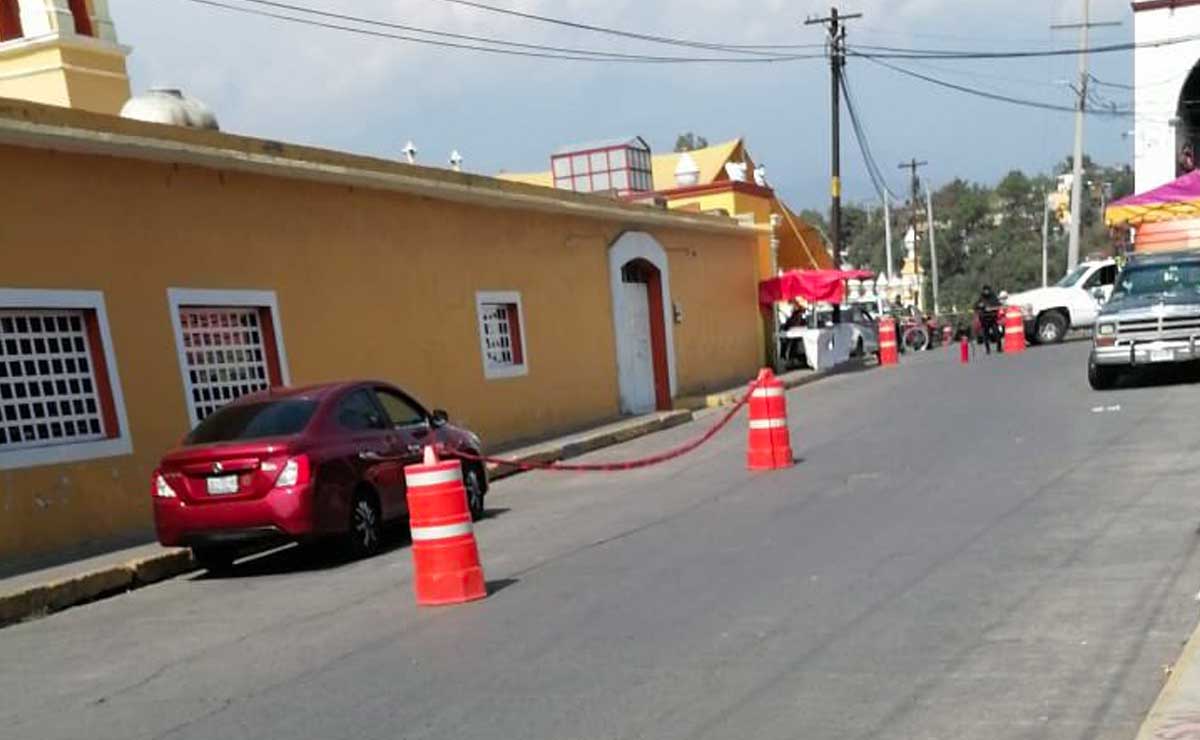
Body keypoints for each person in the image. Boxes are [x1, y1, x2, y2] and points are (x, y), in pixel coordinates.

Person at [975, 285, 1003, 354]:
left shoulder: (993, 297)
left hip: (993, 318)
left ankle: (999, 348)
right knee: (985, 335)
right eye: (985, 290)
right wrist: (980, 306)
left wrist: (994, 307)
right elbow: (975, 306)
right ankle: (987, 349)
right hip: (984, 319)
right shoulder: (981, 298)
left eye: (987, 290)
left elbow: (998, 304)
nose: (986, 291)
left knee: (997, 333)